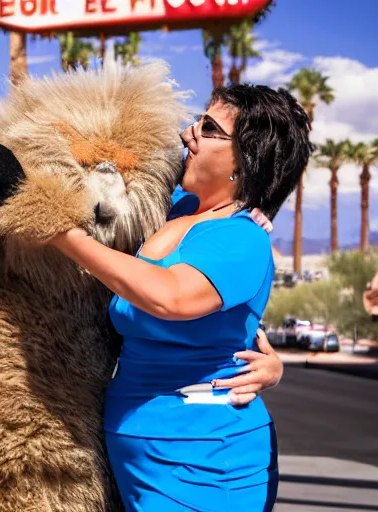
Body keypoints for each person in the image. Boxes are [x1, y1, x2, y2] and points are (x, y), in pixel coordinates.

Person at [50, 84, 313, 511]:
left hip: (207, 463)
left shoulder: (242, 237)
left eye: (208, 128)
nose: (187, 132)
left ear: (245, 159)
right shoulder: (172, 207)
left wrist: (57, 230)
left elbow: (169, 298)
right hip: (139, 462)